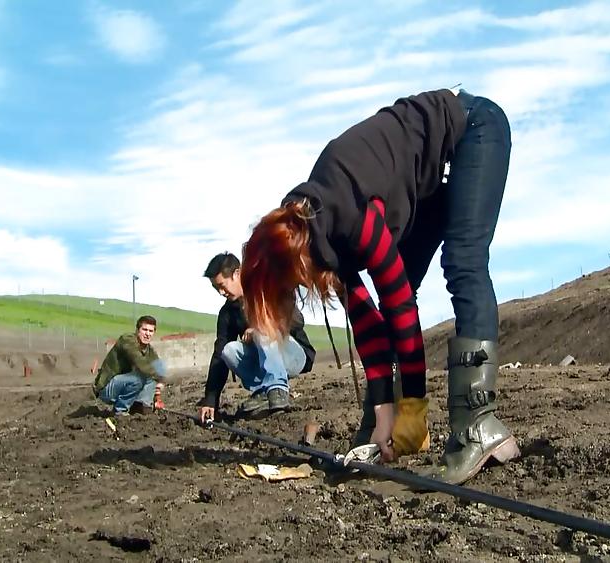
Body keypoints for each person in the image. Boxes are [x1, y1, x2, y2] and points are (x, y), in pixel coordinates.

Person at [239, 87, 520, 484]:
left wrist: (414, 412)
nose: (297, 292)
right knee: (399, 286)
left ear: (294, 264)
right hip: (429, 179)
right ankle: (383, 418)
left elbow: (400, 308)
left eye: (288, 287)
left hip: (473, 127)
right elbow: (367, 324)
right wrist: (387, 411)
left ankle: (479, 424)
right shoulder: (312, 237)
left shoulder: (351, 216)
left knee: (463, 261)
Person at [198, 252, 316, 423]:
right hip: (263, 365)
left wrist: (262, 325)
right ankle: (263, 391)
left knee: (262, 331)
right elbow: (218, 355)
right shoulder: (227, 313)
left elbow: (297, 321)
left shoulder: (265, 289)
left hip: (293, 357)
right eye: (216, 289)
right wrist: (210, 400)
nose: (221, 292)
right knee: (227, 350)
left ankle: (277, 390)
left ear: (237, 274)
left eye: (222, 286)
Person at [93, 315, 167, 416]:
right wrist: (158, 377)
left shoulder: (149, 350)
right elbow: (141, 363)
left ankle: (140, 407)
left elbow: (158, 368)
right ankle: (120, 411)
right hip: (107, 387)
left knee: (150, 377)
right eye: (144, 330)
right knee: (139, 377)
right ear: (137, 330)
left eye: (151, 331)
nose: (147, 334)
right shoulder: (127, 340)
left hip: (123, 384)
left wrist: (159, 388)